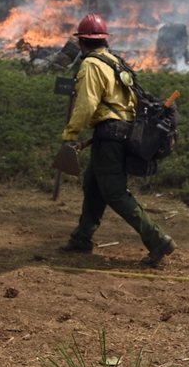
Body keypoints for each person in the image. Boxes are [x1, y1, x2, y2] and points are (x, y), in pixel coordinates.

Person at [58, 14, 176, 266]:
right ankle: (82, 238)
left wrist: (71, 133)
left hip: (110, 138)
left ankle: (157, 239)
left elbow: (87, 103)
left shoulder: (91, 65)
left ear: (81, 42)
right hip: (123, 134)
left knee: (114, 192)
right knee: (93, 184)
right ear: (103, 40)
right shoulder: (114, 62)